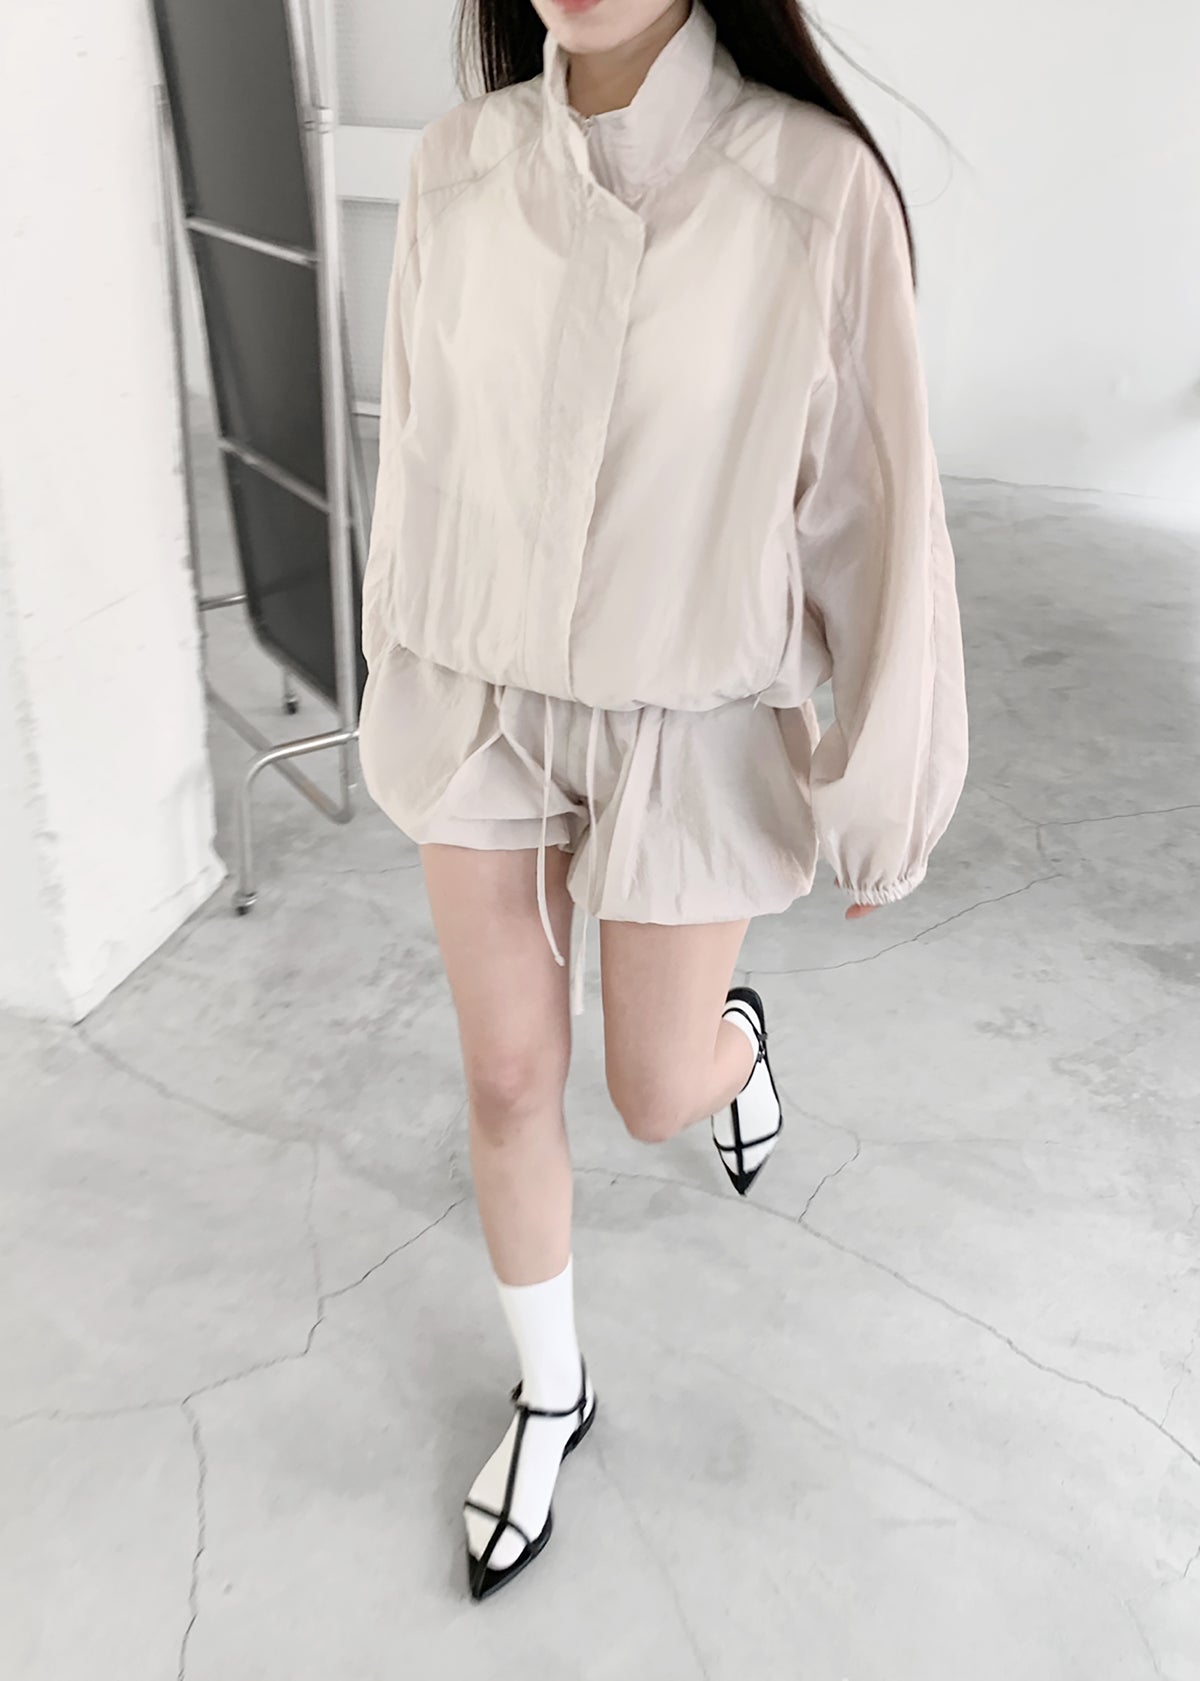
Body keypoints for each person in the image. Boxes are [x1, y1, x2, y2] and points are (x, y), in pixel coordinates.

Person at [359, 0, 968, 1601]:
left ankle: (733, 1046)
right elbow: (415, 449)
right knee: (507, 1079)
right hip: (480, 695)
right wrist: (394, 659)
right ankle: (551, 1391)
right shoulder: (456, 171)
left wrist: (884, 783)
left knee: (648, 1090)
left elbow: (878, 508)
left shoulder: (811, 189)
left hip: (685, 719)